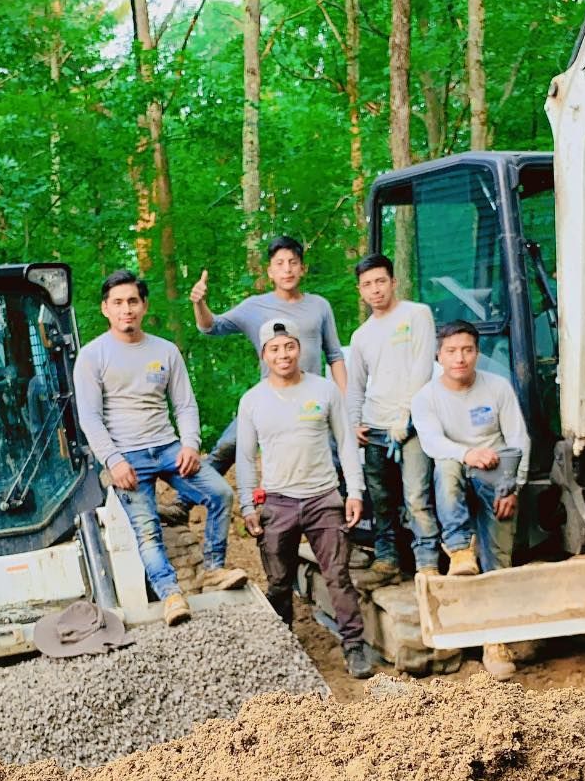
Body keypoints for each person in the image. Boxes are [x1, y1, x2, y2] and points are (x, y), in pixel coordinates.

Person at [73, 270, 246, 627]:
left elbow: (184, 405)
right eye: (118, 303)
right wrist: (114, 460)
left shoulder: (165, 351)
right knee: (147, 529)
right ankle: (170, 595)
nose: (126, 310)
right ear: (106, 308)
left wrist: (190, 444)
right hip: (127, 457)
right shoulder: (93, 356)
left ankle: (214, 569)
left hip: (168, 448)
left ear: (144, 305)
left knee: (220, 494)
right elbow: (89, 418)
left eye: (133, 302)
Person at [236, 318, 374, 681]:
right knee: (279, 580)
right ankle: (283, 644)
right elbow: (245, 458)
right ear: (264, 355)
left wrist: (353, 491)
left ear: (300, 348)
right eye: (274, 349)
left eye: (289, 346)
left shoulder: (324, 390)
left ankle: (354, 645)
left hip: (323, 498)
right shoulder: (252, 401)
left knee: (338, 575)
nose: (283, 354)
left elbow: (345, 443)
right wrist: (248, 505)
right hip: (278, 501)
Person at [410, 319, 530, 679]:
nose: (459, 358)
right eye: (451, 351)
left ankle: (496, 641)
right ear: (438, 355)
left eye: (466, 350)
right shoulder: (426, 398)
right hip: (458, 466)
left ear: (477, 353)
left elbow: (519, 439)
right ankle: (459, 548)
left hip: (497, 474)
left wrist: (512, 488)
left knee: (500, 558)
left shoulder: (497, 387)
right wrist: (468, 454)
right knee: (446, 468)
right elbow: (432, 442)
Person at [190, 235, 347, 474]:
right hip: (270, 396)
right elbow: (212, 326)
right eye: (280, 263)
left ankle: (349, 507)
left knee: (333, 454)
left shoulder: (319, 306)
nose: (287, 269)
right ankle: (183, 502)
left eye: (293, 262)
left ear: (302, 268)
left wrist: (344, 399)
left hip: (312, 398)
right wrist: (199, 303)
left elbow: (335, 355)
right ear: (270, 271)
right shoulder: (254, 306)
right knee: (228, 444)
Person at [345, 253, 439, 586]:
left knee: (416, 496)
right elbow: (355, 386)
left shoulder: (417, 315)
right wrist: (353, 422)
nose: (375, 290)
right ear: (360, 290)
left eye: (380, 281)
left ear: (393, 282)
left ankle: (427, 562)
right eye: (367, 285)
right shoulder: (361, 336)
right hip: (375, 427)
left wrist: (407, 416)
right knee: (381, 500)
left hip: (411, 425)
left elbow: (423, 369)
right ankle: (387, 560)